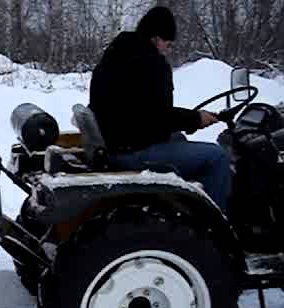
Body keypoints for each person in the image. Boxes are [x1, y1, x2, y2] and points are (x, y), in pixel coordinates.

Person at [88, 6, 231, 212]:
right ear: (156, 38)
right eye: (168, 44)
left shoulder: (118, 54)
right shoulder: (150, 62)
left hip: (117, 140)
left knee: (178, 138)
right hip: (130, 149)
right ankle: (215, 229)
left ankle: (186, 209)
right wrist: (195, 119)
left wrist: (190, 119)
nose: (168, 49)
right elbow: (158, 116)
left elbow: (142, 110)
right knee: (217, 157)